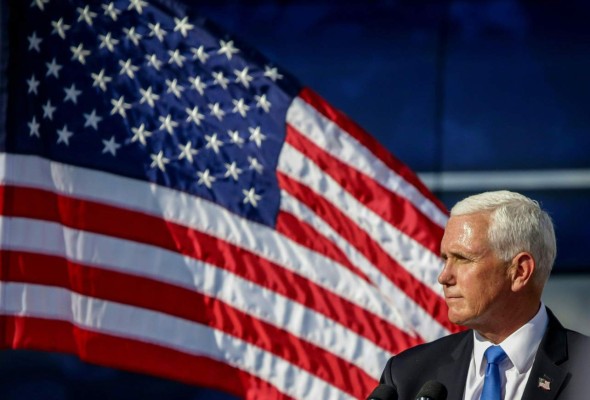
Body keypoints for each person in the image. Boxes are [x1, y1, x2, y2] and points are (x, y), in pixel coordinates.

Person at [377, 190, 590, 400]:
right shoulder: (406, 376)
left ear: (519, 271)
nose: (443, 277)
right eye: (445, 259)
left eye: (463, 259)